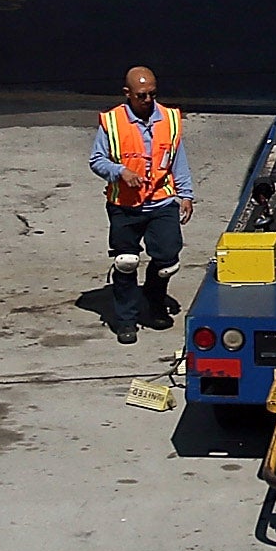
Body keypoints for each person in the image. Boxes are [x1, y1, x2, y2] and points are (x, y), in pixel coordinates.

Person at [91, 66, 195, 343]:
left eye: (152, 94)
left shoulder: (169, 119)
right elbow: (97, 160)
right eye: (141, 96)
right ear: (128, 94)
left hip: (161, 202)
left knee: (167, 261)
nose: (148, 100)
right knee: (126, 262)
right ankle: (126, 319)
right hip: (125, 205)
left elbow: (176, 158)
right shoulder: (112, 122)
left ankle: (154, 299)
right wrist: (120, 172)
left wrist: (185, 194)